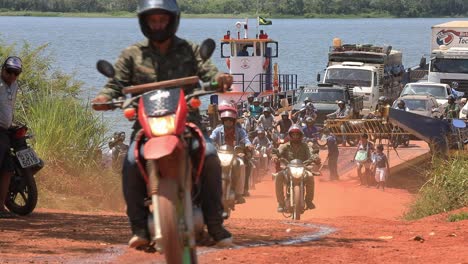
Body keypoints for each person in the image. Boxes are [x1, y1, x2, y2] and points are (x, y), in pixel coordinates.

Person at [91, 0, 234, 248]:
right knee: (131, 162)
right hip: (145, 126)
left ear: (172, 20)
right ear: (144, 22)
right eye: (152, 20)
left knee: (210, 156)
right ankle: (139, 228)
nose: (157, 25)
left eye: (162, 20)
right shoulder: (132, 55)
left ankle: (215, 224)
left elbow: (208, 72)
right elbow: (116, 84)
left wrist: (219, 79)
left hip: (186, 121)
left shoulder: (189, 50)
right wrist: (105, 98)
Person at [210, 104, 252, 203]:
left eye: (230, 120)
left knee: (241, 165)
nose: (228, 122)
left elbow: (246, 139)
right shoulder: (217, 130)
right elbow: (211, 138)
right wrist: (208, 143)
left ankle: (239, 193)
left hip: (235, 155)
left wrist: (248, 144)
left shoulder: (239, 131)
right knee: (210, 165)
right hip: (221, 155)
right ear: (223, 121)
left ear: (233, 121)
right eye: (226, 120)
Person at [272, 125, 318, 212]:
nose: (295, 136)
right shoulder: (285, 146)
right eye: (293, 135)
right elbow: (278, 152)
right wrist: (275, 156)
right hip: (287, 169)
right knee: (278, 177)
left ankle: (308, 201)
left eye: (297, 135)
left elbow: (312, 153)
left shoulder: (306, 146)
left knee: (310, 176)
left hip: (303, 168)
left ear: (301, 135)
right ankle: (281, 203)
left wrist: (315, 157)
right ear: (290, 135)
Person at [0, 56, 22, 218]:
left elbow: (10, 106)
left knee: (7, 169)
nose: (12, 76)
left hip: (6, 131)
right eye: (9, 72)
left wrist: (11, 123)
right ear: (3, 70)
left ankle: (1, 208)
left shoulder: (14, 85)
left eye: (16, 73)